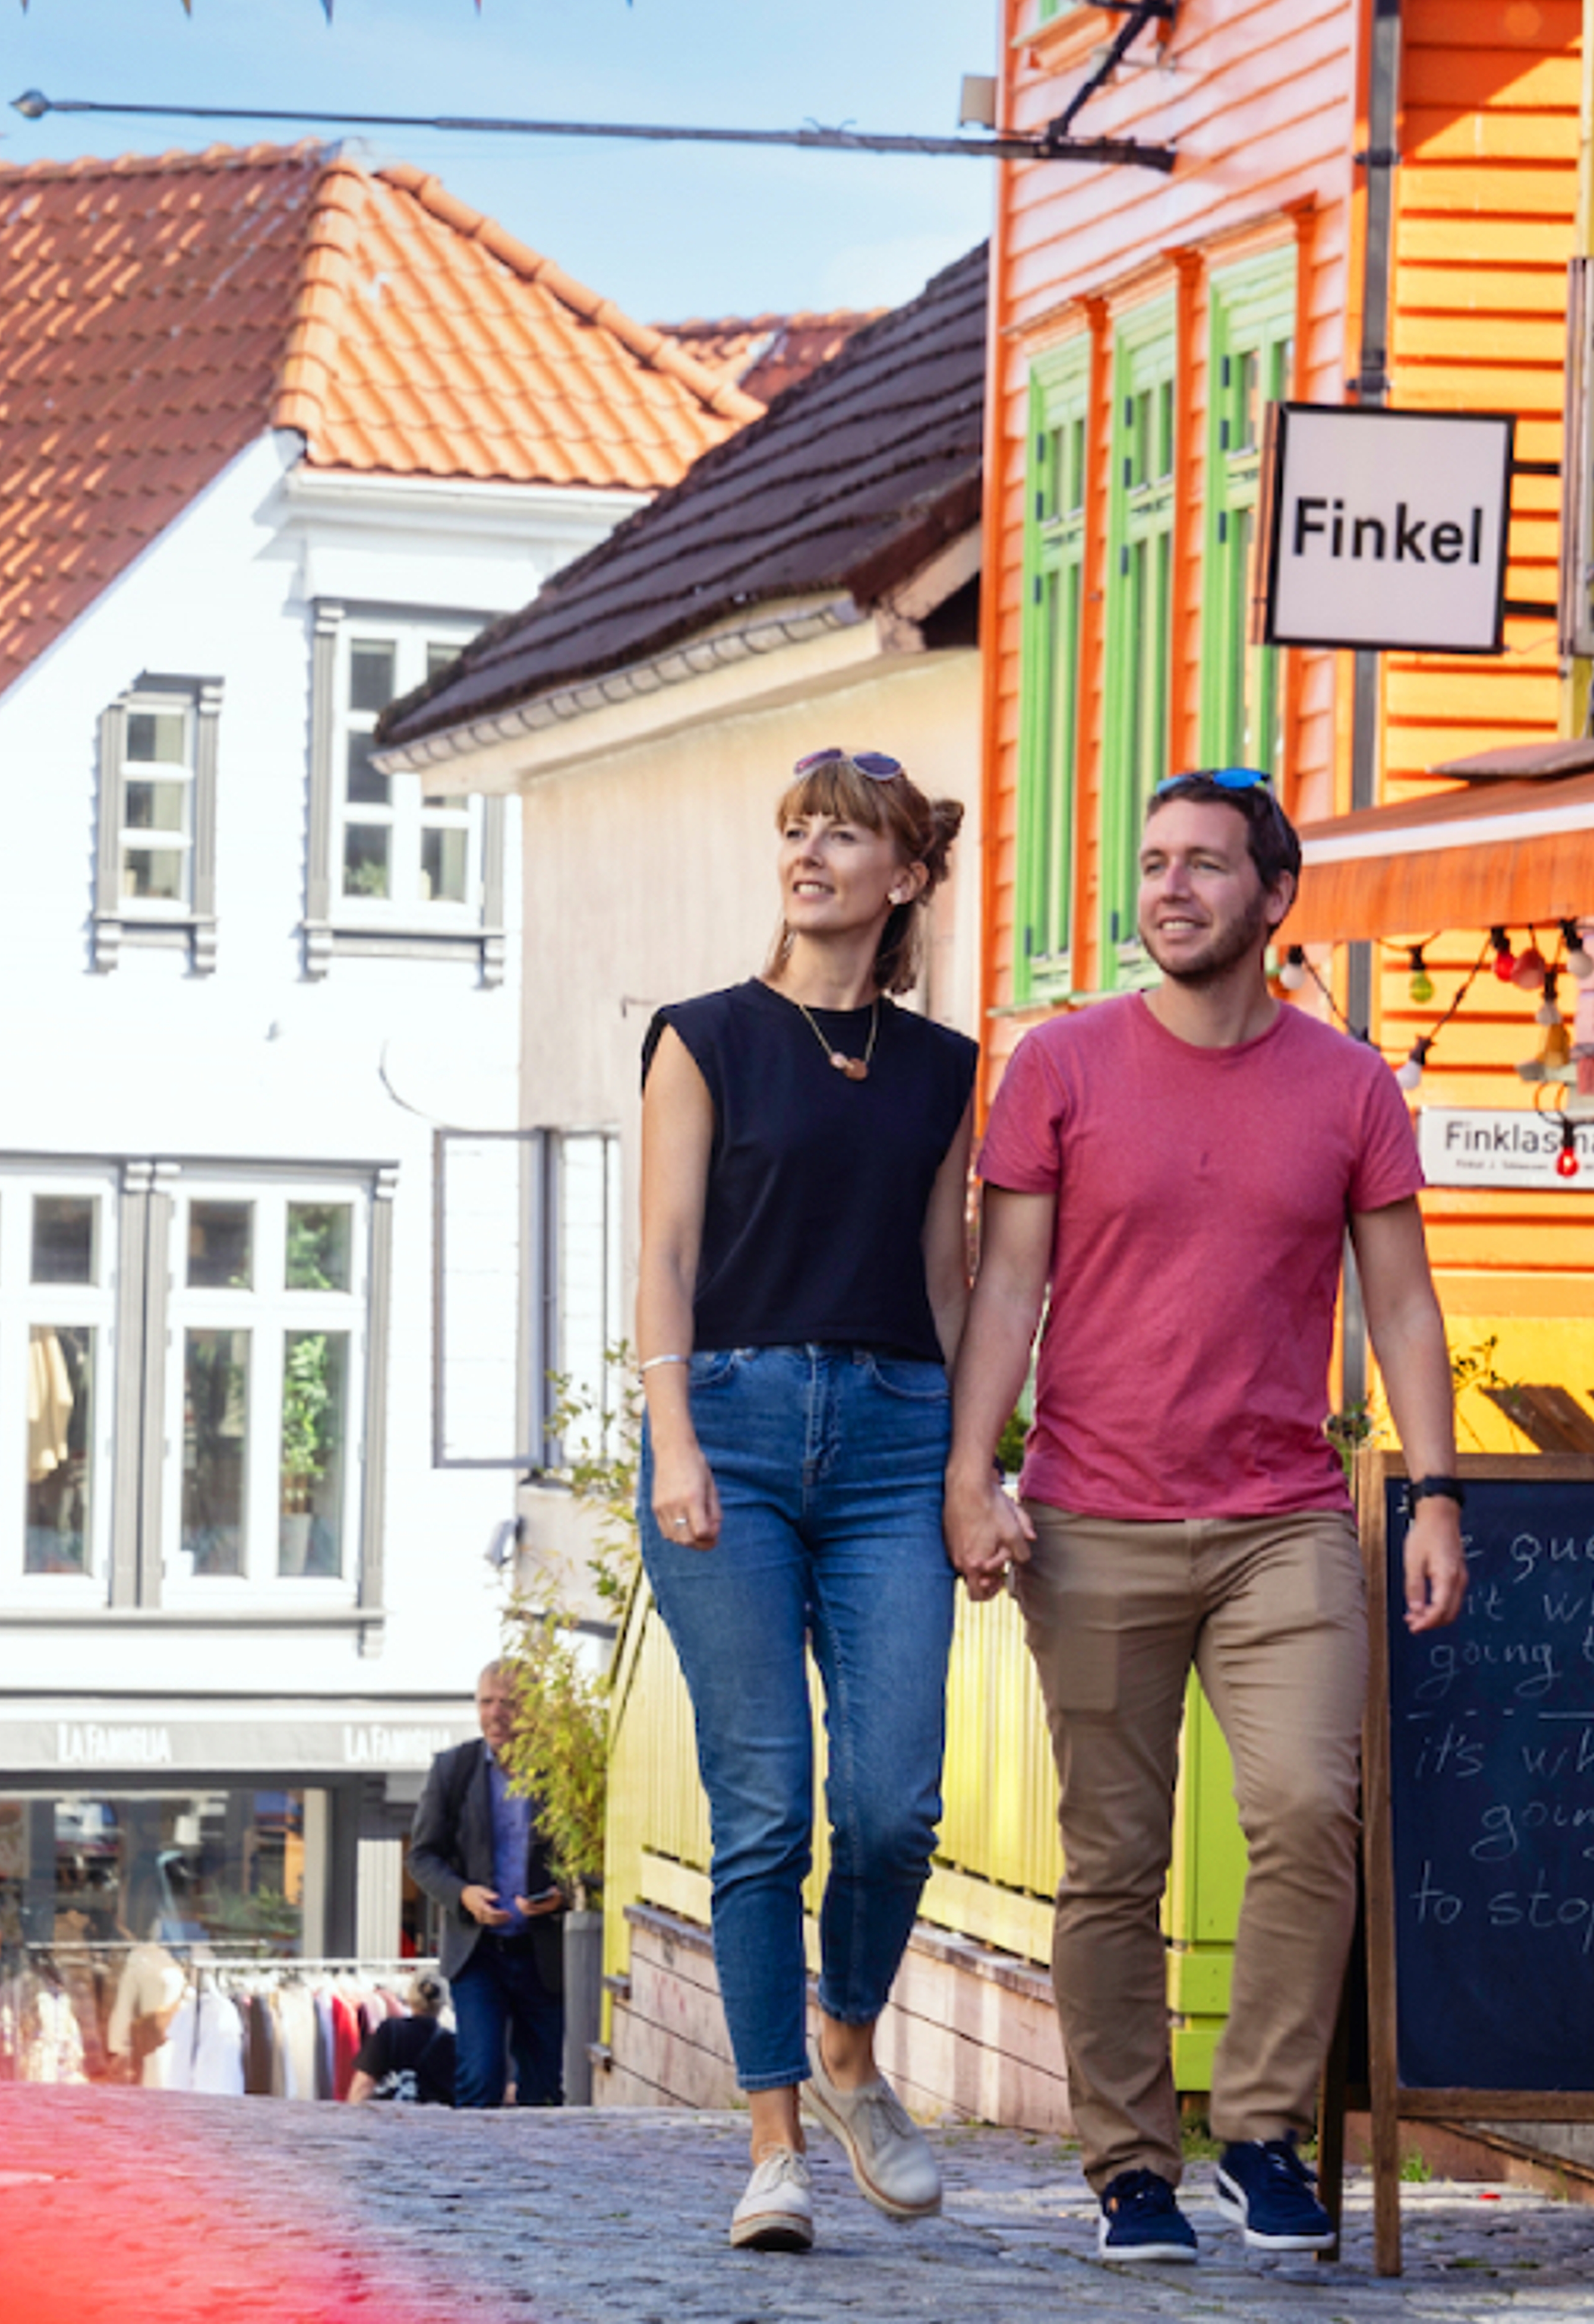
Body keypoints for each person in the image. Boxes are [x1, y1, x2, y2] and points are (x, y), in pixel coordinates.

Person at [943, 766, 1469, 2269]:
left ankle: (1258, 2127)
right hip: (1091, 1518)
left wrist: (1433, 1492)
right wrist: (971, 1472)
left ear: (1273, 897)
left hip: (1282, 1520)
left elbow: (1402, 1301)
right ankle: (1126, 2164)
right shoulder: (1061, 1066)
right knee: (1112, 1856)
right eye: (1153, 862)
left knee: (1310, 1807)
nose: (1168, 888)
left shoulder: (1350, 1085)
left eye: (1203, 865)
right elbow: (1005, 1288)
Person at [637, 749, 977, 2254]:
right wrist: (671, 1440)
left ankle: (849, 2037)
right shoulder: (702, 1039)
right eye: (798, 827)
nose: (813, 849)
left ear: (902, 876)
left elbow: (952, 1276)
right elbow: (661, 1256)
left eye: (845, 833)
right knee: (764, 1799)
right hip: (732, 1429)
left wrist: (981, 1465)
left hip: (900, 1439)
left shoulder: (948, 1069)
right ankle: (773, 2138)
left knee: (895, 1799)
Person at [406, 1661, 567, 2108]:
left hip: (543, 1954)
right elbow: (421, 1856)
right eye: (486, 1702)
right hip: (478, 1953)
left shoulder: (562, 1773)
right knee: (481, 2076)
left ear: (534, 1711)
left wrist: (563, 1896)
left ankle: (537, 2175)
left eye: (509, 1703)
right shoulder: (453, 1770)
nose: (496, 1713)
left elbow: (594, 1859)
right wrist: (463, 1894)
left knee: (543, 2087)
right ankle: (474, 2176)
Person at [348, 1971, 458, 2106]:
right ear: (443, 2004)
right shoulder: (452, 2043)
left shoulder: (389, 2032)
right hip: (434, 2122)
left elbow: (362, 2087)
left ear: (410, 1999)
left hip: (389, 2120)